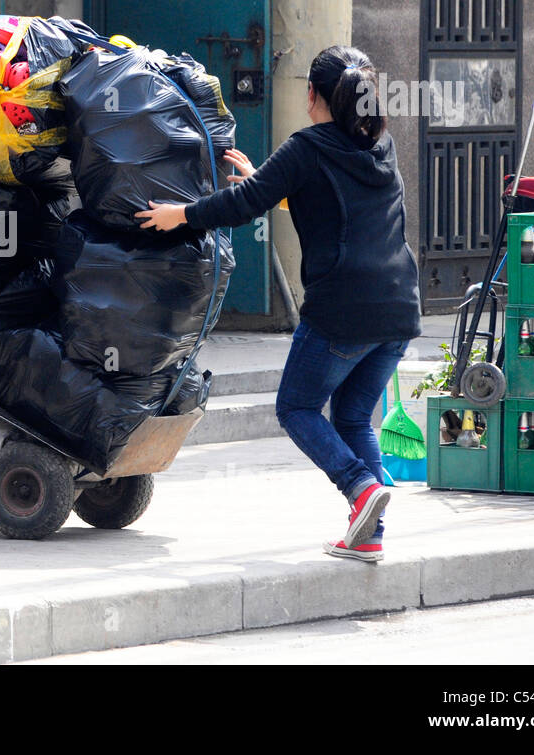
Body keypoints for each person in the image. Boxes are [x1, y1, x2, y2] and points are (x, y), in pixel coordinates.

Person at [136, 45, 421, 562]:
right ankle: (370, 532)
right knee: (353, 418)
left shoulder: (306, 147)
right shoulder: (381, 146)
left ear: (314, 95)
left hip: (343, 310)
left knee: (296, 407)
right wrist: (265, 182)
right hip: (398, 307)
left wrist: (180, 214)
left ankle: (359, 489)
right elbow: (322, 199)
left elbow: (242, 207)